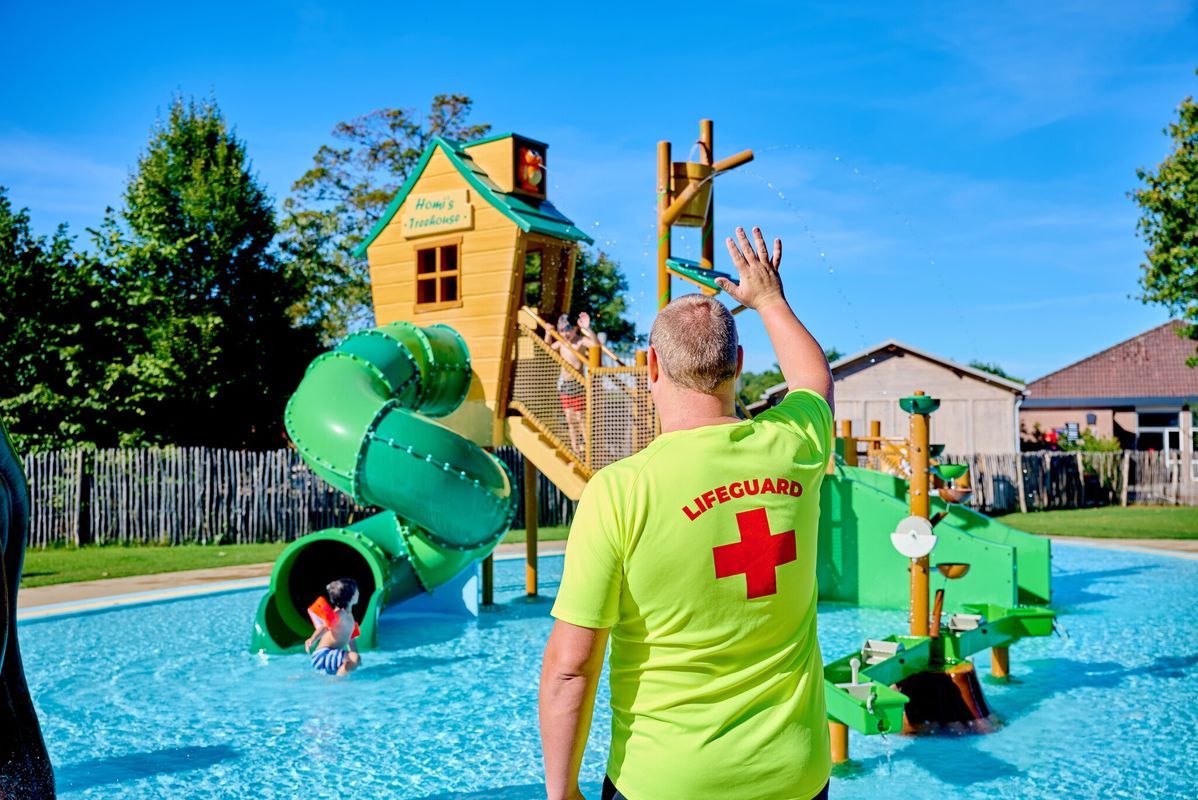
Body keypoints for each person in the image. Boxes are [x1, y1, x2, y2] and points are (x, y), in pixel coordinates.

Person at [539, 227, 835, 800]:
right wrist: (769, 299)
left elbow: (571, 668)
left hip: (666, 781)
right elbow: (813, 382)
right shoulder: (794, 448)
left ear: (650, 365)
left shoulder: (620, 491)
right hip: (793, 777)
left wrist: (562, 791)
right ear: (739, 365)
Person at [546, 311, 601, 454]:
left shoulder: (580, 341)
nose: (565, 334)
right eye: (561, 330)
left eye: (567, 330)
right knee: (570, 419)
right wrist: (548, 333)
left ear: (575, 328)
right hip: (565, 384)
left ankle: (587, 447)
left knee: (580, 418)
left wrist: (588, 329)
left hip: (578, 383)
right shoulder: (561, 343)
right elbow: (547, 349)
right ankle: (576, 448)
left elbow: (596, 344)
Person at [305, 578, 362, 677]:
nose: (359, 593)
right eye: (357, 591)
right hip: (323, 655)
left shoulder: (349, 616)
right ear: (351, 596)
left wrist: (356, 660)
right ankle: (337, 683)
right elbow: (326, 627)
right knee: (354, 658)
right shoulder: (340, 614)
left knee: (355, 658)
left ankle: (338, 679)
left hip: (331, 655)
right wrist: (313, 639)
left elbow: (350, 640)